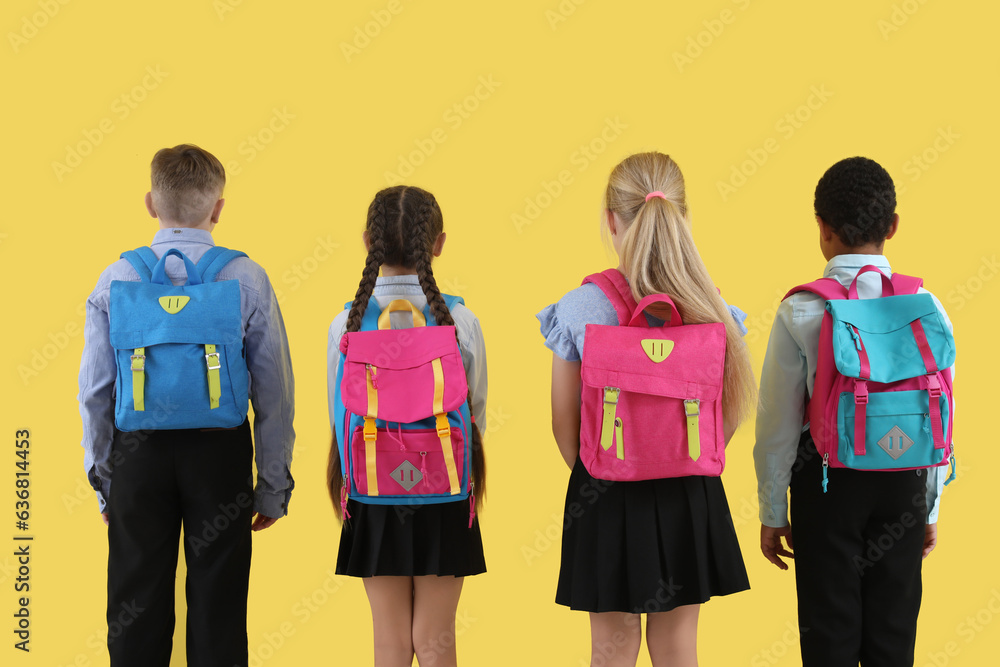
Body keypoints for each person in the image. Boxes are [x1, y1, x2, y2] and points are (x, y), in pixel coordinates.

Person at [78, 144, 295, 667]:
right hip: (219, 455)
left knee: (134, 601)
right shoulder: (247, 277)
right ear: (218, 207)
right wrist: (272, 485)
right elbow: (274, 393)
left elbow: (95, 390)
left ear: (151, 203)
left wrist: (105, 477)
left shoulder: (117, 278)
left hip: (137, 455)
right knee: (219, 604)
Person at [537, 151, 755, 666]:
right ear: (685, 217)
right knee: (679, 651)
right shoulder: (715, 308)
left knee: (610, 653)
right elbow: (725, 417)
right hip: (689, 493)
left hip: (605, 491)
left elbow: (565, 428)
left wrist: (612, 472)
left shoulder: (581, 308)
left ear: (611, 220)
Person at [754, 156, 952, 666]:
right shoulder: (926, 304)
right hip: (904, 476)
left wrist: (773, 513)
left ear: (821, 228)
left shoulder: (802, 308)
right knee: (894, 635)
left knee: (829, 634)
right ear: (892, 226)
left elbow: (776, 423)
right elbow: (938, 411)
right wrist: (927, 505)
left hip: (827, 484)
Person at [326, 185, 487, 667]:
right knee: (436, 639)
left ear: (366, 242)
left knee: (389, 643)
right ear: (437, 243)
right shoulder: (459, 319)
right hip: (447, 489)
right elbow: (474, 408)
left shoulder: (347, 324)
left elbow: (338, 416)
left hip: (372, 491)